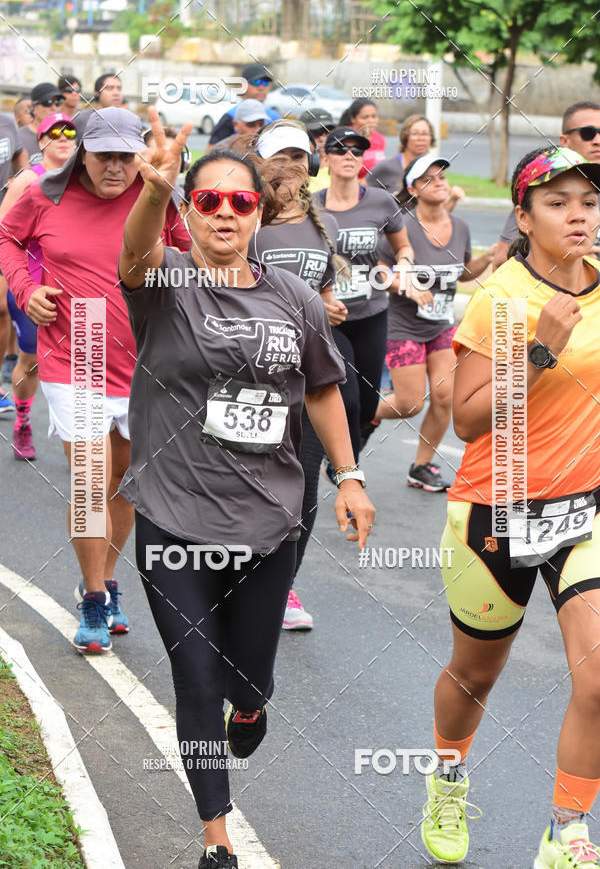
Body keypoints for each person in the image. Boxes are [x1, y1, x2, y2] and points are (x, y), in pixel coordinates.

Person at [117, 108, 375, 869]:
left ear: (260, 211)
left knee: (245, 676)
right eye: (208, 201)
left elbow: (323, 389)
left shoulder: (292, 297)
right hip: (170, 518)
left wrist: (351, 475)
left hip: (267, 521)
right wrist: (154, 191)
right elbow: (132, 256)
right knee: (194, 674)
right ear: (189, 214)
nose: (225, 212)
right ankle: (217, 834)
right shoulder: (164, 282)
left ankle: (254, 698)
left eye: (241, 201)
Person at [421, 145, 600, 867]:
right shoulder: (501, 296)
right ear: (522, 217)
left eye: (587, 201)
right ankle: (448, 774)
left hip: (583, 511)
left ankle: (567, 829)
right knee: (475, 674)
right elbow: (464, 419)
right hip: (494, 512)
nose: (578, 214)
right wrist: (540, 350)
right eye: (557, 202)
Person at [0, 107, 187, 653]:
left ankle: (105, 580)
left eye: (126, 156)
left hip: (146, 359)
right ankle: (93, 598)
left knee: (125, 482)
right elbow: (8, 240)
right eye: (103, 154)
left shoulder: (154, 196)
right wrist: (24, 289)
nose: (115, 167)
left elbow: (195, 252)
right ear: (81, 151)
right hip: (72, 355)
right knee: (88, 480)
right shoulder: (43, 195)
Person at [245, 119, 347, 629]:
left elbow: (323, 291)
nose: (292, 164)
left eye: (300, 156)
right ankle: (236, 576)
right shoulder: (245, 221)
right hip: (249, 380)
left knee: (302, 490)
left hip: (304, 381)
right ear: (260, 163)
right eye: (280, 155)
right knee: (248, 483)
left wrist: (330, 306)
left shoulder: (318, 222)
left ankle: (282, 588)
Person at [374, 156, 494, 491]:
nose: (439, 182)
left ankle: (421, 466)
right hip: (403, 326)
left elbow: (463, 272)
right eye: (428, 179)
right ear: (413, 189)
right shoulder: (402, 227)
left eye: (441, 177)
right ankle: (356, 412)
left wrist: (486, 259)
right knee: (410, 403)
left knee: (444, 397)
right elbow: (378, 272)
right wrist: (407, 286)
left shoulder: (461, 227)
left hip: (441, 325)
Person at [314, 126, 414, 460]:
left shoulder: (380, 201)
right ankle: (344, 465)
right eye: (340, 149)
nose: (349, 156)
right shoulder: (312, 207)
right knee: (350, 397)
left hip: (372, 312)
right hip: (331, 318)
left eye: (357, 151)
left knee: (370, 403)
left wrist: (402, 266)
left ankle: (353, 445)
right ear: (325, 157)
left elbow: (403, 248)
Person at [0, 113, 77, 459]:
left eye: (70, 132)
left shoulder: (83, 181)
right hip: (32, 289)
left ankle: (83, 443)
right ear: (41, 140)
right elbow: (4, 235)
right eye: (54, 132)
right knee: (30, 362)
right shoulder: (28, 180)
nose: (63, 137)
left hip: (76, 289)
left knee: (84, 363)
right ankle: (23, 421)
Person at [492, 100, 600, 270]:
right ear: (565, 140)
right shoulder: (540, 185)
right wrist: (567, 258)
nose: (597, 140)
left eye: (589, 203)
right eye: (588, 133)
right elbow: (500, 262)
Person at [368, 113, 464, 213]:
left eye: (425, 134)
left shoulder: (434, 170)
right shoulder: (385, 167)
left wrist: (453, 199)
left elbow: (440, 214)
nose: (421, 138)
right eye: (415, 133)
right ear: (405, 137)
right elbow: (360, 196)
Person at [0, 113, 31, 409]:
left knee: (0, 310)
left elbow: (21, 160)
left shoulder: (6, 122)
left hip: (5, 225)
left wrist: (23, 180)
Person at [207, 63, 280, 148]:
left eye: (265, 83)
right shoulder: (231, 117)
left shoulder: (275, 118)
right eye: (256, 82)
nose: (261, 87)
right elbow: (210, 152)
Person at [339, 98, 386, 181]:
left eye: (374, 116)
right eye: (365, 117)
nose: (371, 121)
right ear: (353, 119)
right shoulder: (345, 138)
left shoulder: (379, 138)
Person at [19, 83, 65, 160]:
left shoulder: (66, 136)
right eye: (48, 102)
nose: (54, 108)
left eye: (57, 102)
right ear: (33, 108)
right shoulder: (19, 139)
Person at [299, 107, 335, 193]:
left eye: (327, 132)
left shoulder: (340, 162)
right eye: (316, 132)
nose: (323, 138)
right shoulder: (294, 166)